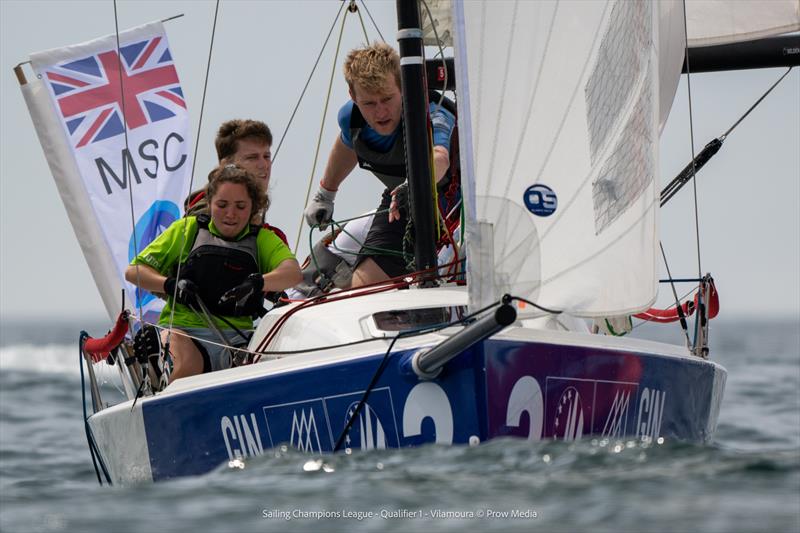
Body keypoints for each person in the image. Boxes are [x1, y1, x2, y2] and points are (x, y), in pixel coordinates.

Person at [126, 165, 302, 381]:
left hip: (239, 344)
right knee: (187, 364)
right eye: (222, 205)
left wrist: (257, 282)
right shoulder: (187, 230)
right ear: (209, 203)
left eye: (240, 206)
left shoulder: (262, 239)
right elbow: (134, 271)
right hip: (185, 333)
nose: (230, 214)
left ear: (253, 207)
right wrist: (170, 285)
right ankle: (159, 373)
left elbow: (292, 273)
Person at [304, 42, 455, 287]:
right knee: (364, 285)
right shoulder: (350, 117)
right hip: (400, 201)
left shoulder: (432, 112)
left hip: (456, 202)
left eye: (387, 98)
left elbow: (440, 158)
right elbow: (347, 146)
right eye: (369, 103)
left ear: (403, 88)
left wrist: (415, 185)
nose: (381, 111)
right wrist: (325, 194)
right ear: (353, 97)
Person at [186, 119, 288, 245]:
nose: (264, 165)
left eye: (266, 156)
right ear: (226, 165)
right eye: (252, 158)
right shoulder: (200, 220)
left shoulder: (271, 236)